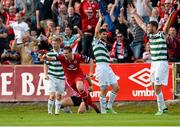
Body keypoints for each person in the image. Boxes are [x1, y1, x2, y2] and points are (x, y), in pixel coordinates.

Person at [129, 4, 169, 115]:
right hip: (154, 63)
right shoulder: (150, 36)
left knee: (157, 87)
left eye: (149, 27)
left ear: (155, 28)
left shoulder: (162, 34)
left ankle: (161, 110)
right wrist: (134, 13)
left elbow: (167, 26)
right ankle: (163, 107)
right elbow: (141, 23)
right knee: (153, 86)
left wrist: (170, 16)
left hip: (161, 63)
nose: (147, 28)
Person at [43, 46, 100, 113]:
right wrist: (46, 58)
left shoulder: (78, 57)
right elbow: (51, 58)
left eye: (66, 53)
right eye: (64, 53)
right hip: (70, 79)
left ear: (71, 53)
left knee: (80, 87)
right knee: (78, 94)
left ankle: (86, 105)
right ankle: (93, 106)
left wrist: (91, 72)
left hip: (78, 75)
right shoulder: (62, 57)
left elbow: (90, 60)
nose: (65, 55)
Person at [92, 12, 119, 114]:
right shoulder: (96, 42)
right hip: (101, 67)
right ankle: (103, 112)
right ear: (99, 35)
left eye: (106, 34)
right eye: (103, 33)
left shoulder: (104, 45)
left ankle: (109, 107)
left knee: (116, 88)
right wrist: (100, 19)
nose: (105, 35)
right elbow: (96, 31)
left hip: (107, 67)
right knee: (103, 89)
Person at [44, 35, 65, 115]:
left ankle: (57, 112)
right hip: (52, 76)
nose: (54, 45)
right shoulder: (49, 53)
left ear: (59, 43)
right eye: (53, 44)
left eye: (55, 44)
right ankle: (49, 112)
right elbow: (46, 64)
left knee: (59, 95)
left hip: (61, 76)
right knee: (52, 95)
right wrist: (46, 74)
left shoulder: (63, 53)